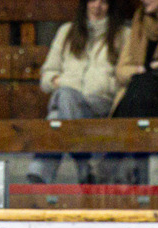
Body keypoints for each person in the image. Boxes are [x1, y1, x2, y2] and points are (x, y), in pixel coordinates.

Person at [27, 0, 131, 185]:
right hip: (69, 98)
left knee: (56, 116)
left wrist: (105, 85)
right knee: (65, 99)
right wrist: (63, 83)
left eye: (104, 2)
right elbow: (47, 75)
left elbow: (125, 77)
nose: (97, 6)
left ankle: (40, 174)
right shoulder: (67, 31)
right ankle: (85, 166)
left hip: (101, 103)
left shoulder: (124, 34)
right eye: (92, 0)